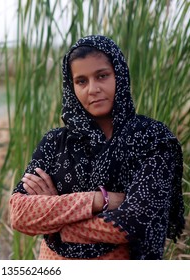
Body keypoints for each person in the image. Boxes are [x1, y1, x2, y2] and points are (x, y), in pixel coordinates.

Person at [9, 35, 185, 260]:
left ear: (119, 75)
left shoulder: (152, 139)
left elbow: (135, 221)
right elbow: (19, 214)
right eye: (81, 81)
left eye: (102, 76)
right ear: (71, 86)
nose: (92, 89)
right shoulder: (55, 142)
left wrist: (55, 220)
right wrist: (98, 200)